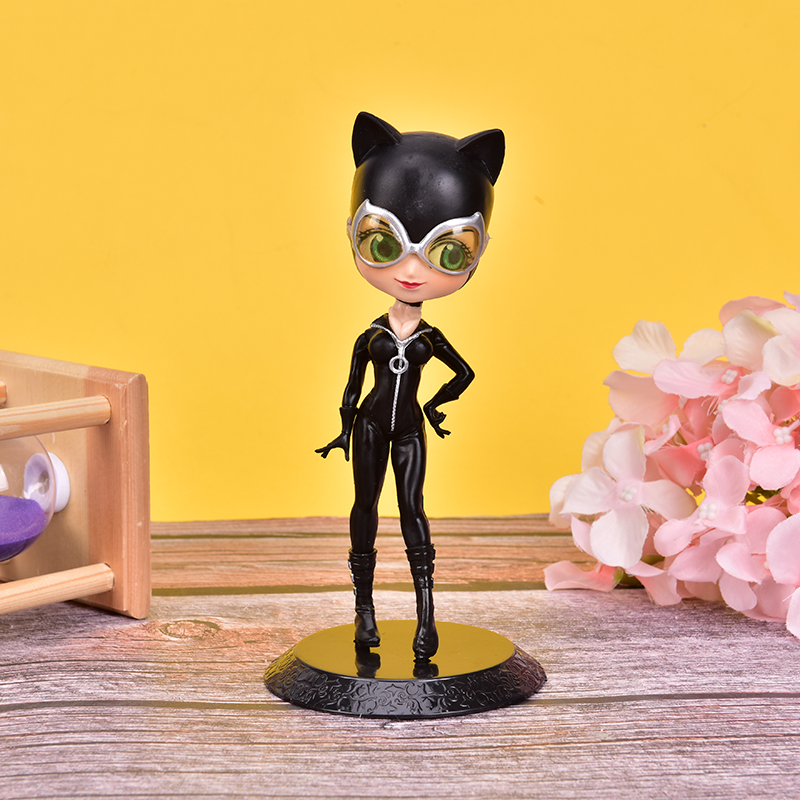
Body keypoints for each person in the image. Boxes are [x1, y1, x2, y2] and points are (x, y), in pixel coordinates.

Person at [317, 112, 504, 660]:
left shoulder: (430, 338)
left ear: (478, 251)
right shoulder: (371, 336)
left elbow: (464, 373)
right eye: (383, 244)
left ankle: (426, 617)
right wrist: (343, 429)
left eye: (447, 252)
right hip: (371, 426)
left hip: (409, 430)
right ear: (352, 231)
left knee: (413, 511)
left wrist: (437, 405)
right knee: (364, 509)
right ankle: (364, 611)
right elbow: (351, 389)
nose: (412, 271)